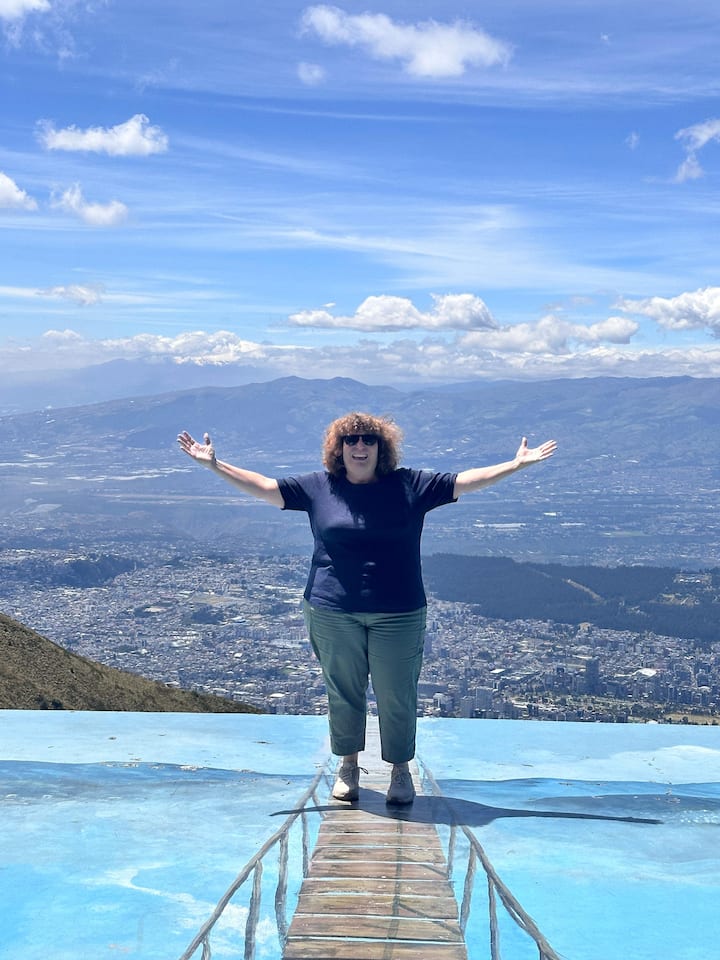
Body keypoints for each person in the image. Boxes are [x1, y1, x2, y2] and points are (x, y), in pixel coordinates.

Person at [178, 413, 556, 805]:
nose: (360, 446)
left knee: (397, 693)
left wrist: (515, 465)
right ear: (339, 448)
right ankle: (348, 766)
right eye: (352, 439)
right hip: (332, 609)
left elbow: (466, 481)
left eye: (369, 439)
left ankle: (400, 770)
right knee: (343, 692)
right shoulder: (319, 487)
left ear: (382, 447)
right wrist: (215, 466)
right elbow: (265, 487)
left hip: (399, 610)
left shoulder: (410, 485)